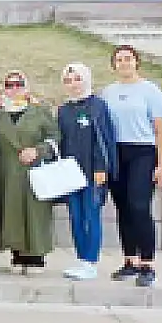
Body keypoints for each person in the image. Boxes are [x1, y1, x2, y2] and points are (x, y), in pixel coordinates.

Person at [100, 45, 162, 288]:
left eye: (128, 59)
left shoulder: (150, 90)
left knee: (139, 206)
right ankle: (129, 260)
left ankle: (147, 263)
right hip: (117, 152)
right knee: (123, 207)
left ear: (137, 62)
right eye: (119, 60)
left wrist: (161, 165)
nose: (124, 63)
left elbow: (161, 129)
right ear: (114, 65)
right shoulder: (108, 92)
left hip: (142, 151)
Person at [0, 70, 60, 275]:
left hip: (34, 170)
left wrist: (38, 151)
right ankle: (17, 253)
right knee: (12, 213)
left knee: (35, 213)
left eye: (18, 84)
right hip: (7, 170)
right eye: (9, 85)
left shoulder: (40, 111)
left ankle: (36, 256)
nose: (14, 89)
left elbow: (54, 137)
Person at [57, 63, 117, 281]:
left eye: (77, 79)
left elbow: (103, 140)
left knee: (91, 216)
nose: (73, 84)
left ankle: (90, 261)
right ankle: (81, 258)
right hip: (70, 173)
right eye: (68, 80)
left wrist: (102, 168)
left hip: (93, 172)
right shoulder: (63, 110)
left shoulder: (98, 106)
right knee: (75, 216)